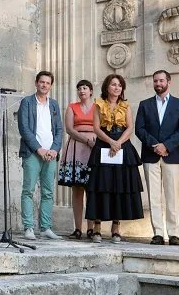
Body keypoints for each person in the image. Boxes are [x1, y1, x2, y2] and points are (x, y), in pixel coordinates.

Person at [85, 74, 143, 243]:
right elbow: (96, 128)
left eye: (119, 85)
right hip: (104, 144)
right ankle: (97, 227)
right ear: (107, 87)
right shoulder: (98, 104)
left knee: (119, 185)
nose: (117, 88)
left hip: (122, 145)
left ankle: (116, 227)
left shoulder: (125, 105)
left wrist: (117, 143)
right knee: (101, 185)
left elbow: (130, 127)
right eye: (113, 85)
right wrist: (111, 142)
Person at [135, 70, 179, 246]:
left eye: (161, 80)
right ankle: (157, 233)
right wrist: (155, 145)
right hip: (151, 155)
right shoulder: (145, 104)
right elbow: (140, 129)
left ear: (169, 82)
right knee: (154, 197)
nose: (158, 83)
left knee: (172, 196)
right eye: (155, 81)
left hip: (171, 155)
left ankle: (174, 233)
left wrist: (166, 146)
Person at [18, 71, 63, 240]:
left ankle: (45, 228)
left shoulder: (53, 105)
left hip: (51, 154)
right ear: (36, 83)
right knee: (28, 191)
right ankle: (28, 227)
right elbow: (24, 129)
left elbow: (59, 130)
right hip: (32, 153)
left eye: (48, 83)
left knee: (48, 192)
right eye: (42, 82)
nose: (44, 85)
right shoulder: (27, 102)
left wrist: (54, 149)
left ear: (51, 86)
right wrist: (39, 149)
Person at [59, 80, 96, 240]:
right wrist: (86, 140)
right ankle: (78, 228)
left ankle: (92, 228)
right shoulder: (71, 107)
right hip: (76, 147)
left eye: (85, 88)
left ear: (91, 91)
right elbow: (69, 129)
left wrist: (94, 142)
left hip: (94, 148)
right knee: (77, 189)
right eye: (79, 88)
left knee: (92, 189)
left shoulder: (98, 107)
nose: (82, 91)